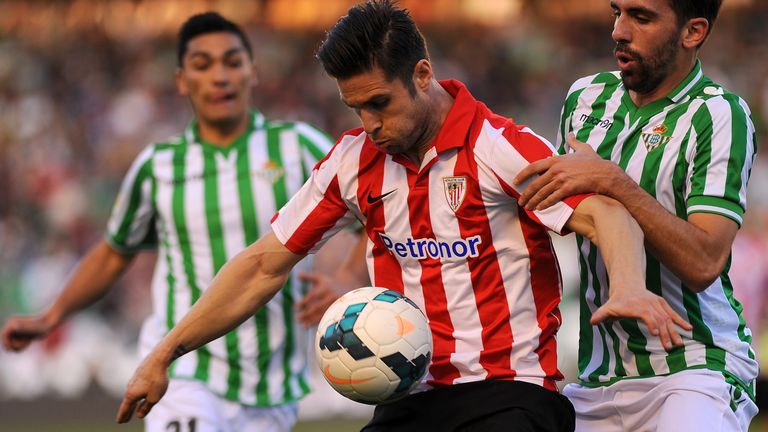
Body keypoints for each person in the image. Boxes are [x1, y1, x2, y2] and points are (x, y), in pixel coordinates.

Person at [115, 2, 690, 431]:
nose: (368, 123)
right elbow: (263, 264)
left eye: (379, 104)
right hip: (408, 401)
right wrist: (163, 353)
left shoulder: (498, 147)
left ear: (421, 74)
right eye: (354, 107)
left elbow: (604, 212)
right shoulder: (351, 162)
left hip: (511, 397)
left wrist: (630, 286)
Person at [0, 12, 343, 432]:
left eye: (232, 62)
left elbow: (370, 210)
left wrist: (345, 280)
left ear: (252, 72)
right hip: (184, 370)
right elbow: (113, 253)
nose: (220, 76)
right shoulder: (158, 166)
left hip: (271, 385)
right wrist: (51, 316)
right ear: (182, 80)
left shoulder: (299, 146)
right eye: (203, 65)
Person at [513, 0, 759, 430]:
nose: (619, 31)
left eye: (641, 17)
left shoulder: (719, 114)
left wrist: (614, 182)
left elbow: (703, 262)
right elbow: (559, 213)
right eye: (617, 12)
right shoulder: (584, 97)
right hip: (598, 376)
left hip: (695, 368)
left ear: (693, 32)